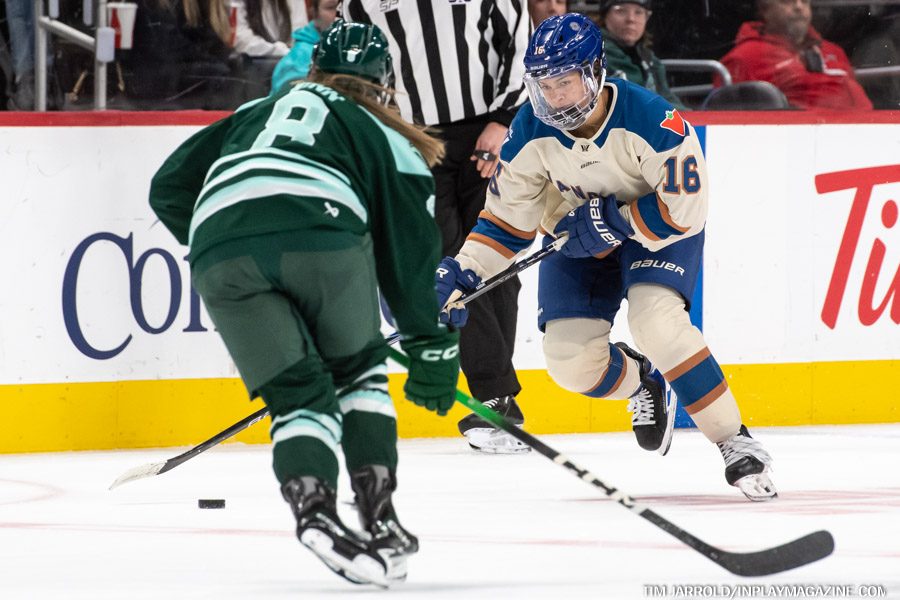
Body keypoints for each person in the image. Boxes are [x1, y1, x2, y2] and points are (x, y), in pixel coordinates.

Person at [149, 20, 461, 586]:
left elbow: (168, 188)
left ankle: (314, 510)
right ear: (386, 83)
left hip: (219, 249)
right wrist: (426, 340)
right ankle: (379, 517)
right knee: (359, 374)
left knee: (298, 395)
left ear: (314, 69)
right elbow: (410, 251)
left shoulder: (256, 111)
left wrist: (225, 236)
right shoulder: (384, 133)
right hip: (323, 235)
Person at [435, 13, 778, 501]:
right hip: (575, 239)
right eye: (545, 86)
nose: (555, 97)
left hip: (656, 234)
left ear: (595, 71)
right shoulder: (528, 129)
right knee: (570, 364)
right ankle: (643, 383)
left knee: (657, 324)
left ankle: (734, 441)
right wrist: (463, 272)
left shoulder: (651, 118)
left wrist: (616, 220)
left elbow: (686, 209)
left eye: (565, 83)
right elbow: (505, 222)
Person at [344, 0, 532, 454]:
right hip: (415, 140)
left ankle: (496, 396)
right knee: (450, 264)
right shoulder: (357, 3)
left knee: (495, 259)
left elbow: (521, 46)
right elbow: (358, 72)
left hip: (487, 132)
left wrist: (504, 121)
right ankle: (495, 395)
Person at [718, 0, 872, 110]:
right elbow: (731, 127)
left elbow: (864, 108)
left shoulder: (834, 52)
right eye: (787, 1)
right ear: (765, 10)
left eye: (804, 1)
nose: (798, 7)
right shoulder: (744, 59)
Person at [594, 0, 686, 111]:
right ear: (604, 16)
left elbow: (668, 99)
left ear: (647, 18)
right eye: (621, 11)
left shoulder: (650, 60)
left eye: (638, 12)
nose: (631, 19)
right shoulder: (594, 55)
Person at [269, 0, 339, 94]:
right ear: (313, 12)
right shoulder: (296, 61)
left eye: (343, 7)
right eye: (331, 7)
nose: (339, 15)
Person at [232, 0, 307, 58]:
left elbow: (301, 35)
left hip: (290, 63)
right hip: (250, 63)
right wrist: (279, 51)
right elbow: (242, 41)